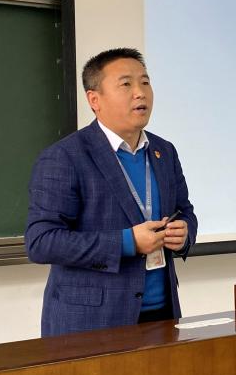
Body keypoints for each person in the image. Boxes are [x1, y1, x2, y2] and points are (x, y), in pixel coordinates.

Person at [25, 47, 197, 336]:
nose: (140, 93)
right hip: (92, 322)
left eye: (145, 82)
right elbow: (41, 242)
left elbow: (185, 211)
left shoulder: (164, 151)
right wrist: (127, 242)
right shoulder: (65, 157)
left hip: (162, 315)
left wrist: (184, 234)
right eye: (126, 84)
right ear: (95, 100)